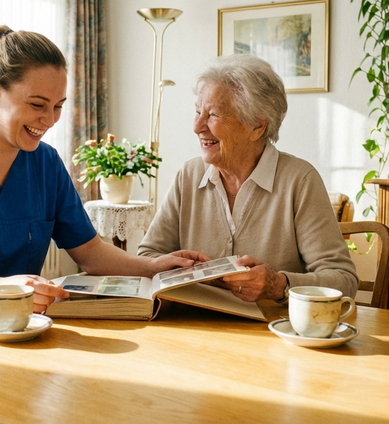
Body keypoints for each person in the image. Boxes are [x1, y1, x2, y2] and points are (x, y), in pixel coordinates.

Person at [0, 26, 204, 317]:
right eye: (37, 105)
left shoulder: (45, 163)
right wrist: (4, 289)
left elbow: (89, 253)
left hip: (7, 324)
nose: (49, 120)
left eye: (58, 106)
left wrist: (153, 267)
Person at [138, 54, 358, 303]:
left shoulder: (299, 180)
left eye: (213, 115)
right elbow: (148, 255)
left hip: (271, 333)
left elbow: (343, 279)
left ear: (257, 126)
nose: (197, 126)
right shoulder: (188, 176)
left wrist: (279, 285)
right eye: (198, 112)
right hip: (194, 326)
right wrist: (179, 268)